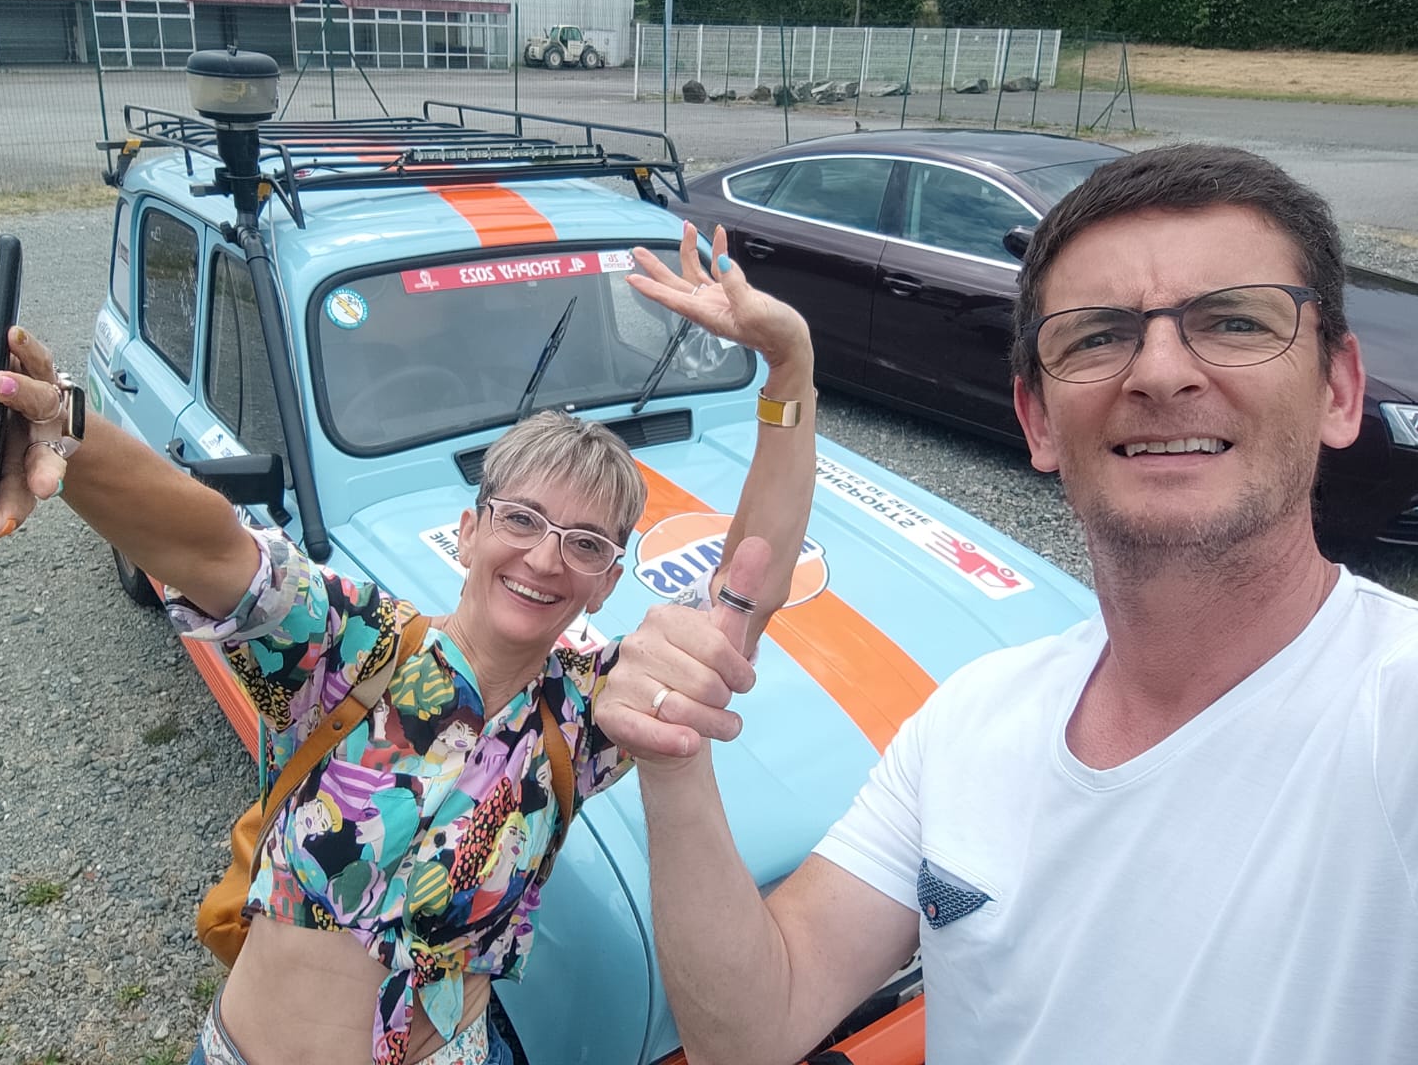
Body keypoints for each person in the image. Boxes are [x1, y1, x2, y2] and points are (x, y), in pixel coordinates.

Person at [595, 145, 1418, 1064]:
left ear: (1338, 390)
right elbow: (753, 1030)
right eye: (1097, 337)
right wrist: (672, 764)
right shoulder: (968, 721)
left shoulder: (1396, 717)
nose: (1159, 372)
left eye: (1231, 322)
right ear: (1036, 420)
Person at [0, 224, 818, 1065]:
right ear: (468, 532)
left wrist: (789, 369)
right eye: (521, 520)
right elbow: (214, 548)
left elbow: (745, 588)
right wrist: (66, 429)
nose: (547, 558)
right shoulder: (355, 648)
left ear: (608, 581)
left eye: (584, 543)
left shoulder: (583, 719)